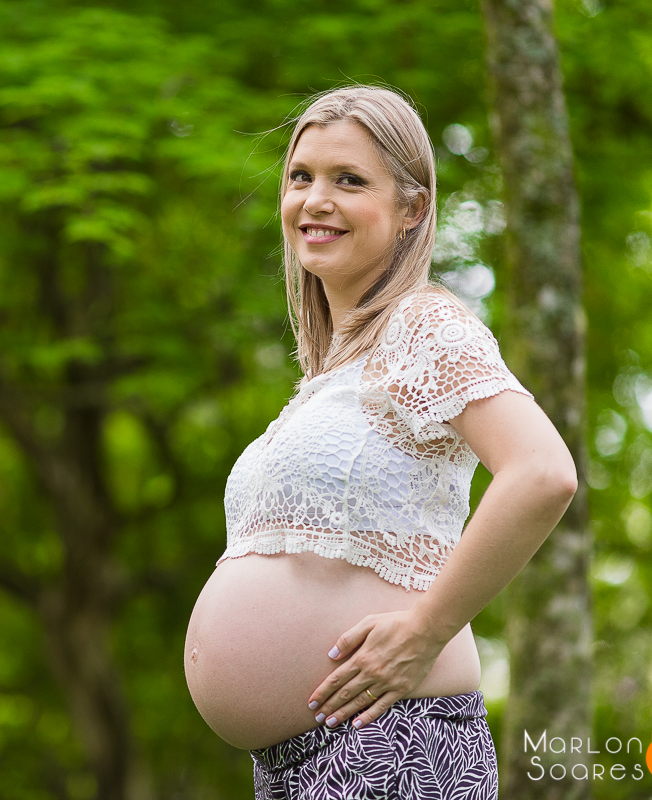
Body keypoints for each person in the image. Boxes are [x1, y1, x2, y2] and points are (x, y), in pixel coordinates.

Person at [182, 85, 579, 799]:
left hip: (391, 746)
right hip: (297, 763)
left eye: (349, 180)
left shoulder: (423, 327)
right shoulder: (331, 374)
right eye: (301, 177)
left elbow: (542, 471)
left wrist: (426, 630)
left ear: (412, 210)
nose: (315, 199)